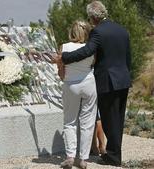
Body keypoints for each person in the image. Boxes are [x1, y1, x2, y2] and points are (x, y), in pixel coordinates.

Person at [54, 1, 131, 166]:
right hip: (123, 79)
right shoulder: (122, 30)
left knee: (109, 119)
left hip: (107, 81)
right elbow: (127, 57)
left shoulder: (98, 32)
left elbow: (87, 51)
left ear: (92, 17)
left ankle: (113, 157)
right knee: (118, 119)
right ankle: (114, 155)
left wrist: (64, 58)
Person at [58, 20, 97, 169]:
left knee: (70, 121)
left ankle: (70, 156)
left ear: (72, 32)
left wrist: (66, 77)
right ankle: (83, 159)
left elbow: (61, 72)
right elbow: (93, 64)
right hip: (88, 83)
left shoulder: (64, 47)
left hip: (70, 84)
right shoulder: (91, 48)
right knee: (87, 121)